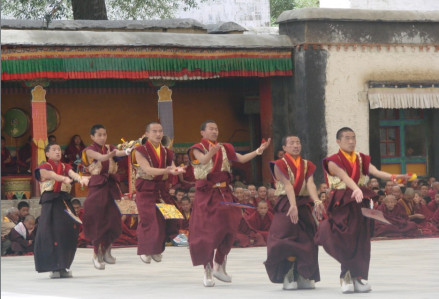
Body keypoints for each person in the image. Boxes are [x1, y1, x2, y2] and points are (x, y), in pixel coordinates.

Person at [314, 127, 408, 294]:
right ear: (338, 141)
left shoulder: (360, 158)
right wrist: (355, 188)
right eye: (347, 138)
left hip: (360, 202)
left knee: (361, 239)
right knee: (346, 238)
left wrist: (395, 177)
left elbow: (376, 172)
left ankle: (358, 277)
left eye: (353, 138)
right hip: (343, 202)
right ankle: (346, 277)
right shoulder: (332, 160)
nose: (351, 141)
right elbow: (344, 177)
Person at [188, 120, 270, 287]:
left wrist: (258, 151)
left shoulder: (225, 147)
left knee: (231, 226)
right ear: (202, 132)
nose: (214, 131)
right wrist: (211, 152)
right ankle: (208, 268)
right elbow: (203, 161)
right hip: (207, 194)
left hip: (224, 193)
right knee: (208, 232)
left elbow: (240, 158)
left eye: (216, 128)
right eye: (211, 129)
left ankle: (220, 262)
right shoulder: (197, 148)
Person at [265, 135, 323, 290]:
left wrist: (316, 200)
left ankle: (304, 273)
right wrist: (292, 205)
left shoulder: (307, 164)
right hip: (286, 204)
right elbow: (288, 185)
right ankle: (288, 273)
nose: (296, 145)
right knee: (283, 239)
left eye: (298, 142)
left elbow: (310, 183)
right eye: (291, 143)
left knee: (308, 239)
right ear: (284, 148)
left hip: (303, 204)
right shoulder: (279, 164)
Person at [34, 143, 89, 278]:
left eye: (59, 149)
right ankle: (53, 267)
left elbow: (72, 174)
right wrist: (62, 178)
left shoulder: (65, 166)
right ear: (47, 154)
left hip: (64, 201)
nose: (58, 152)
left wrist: (81, 178)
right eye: (54, 150)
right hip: (51, 202)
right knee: (51, 232)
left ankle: (63, 265)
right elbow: (50, 174)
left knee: (69, 230)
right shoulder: (44, 167)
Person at [132, 122, 184, 264]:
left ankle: (156, 249)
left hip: (161, 189)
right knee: (149, 220)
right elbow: (148, 170)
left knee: (165, 219)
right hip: (146, 189)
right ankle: (144, 249)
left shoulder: (166, 151)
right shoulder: (140, 150)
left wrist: (177, 170)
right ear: (147, 134)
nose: (158, 134)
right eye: (154, 131)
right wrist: (167, 171)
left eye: (160, 131)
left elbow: (172, 167)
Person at [82, 124, 131, 270]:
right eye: (99, 135)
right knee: (98, 220)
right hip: (98, 187)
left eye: (104, 134)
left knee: (114, 219)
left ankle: (107, 249)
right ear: (92, 137)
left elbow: (118, 152)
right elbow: (101, 157)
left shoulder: (110, 147)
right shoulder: (89, 150)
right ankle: (96, 254)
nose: (102, 137)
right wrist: (112, 154)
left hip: (111, 187)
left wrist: (128, 151)